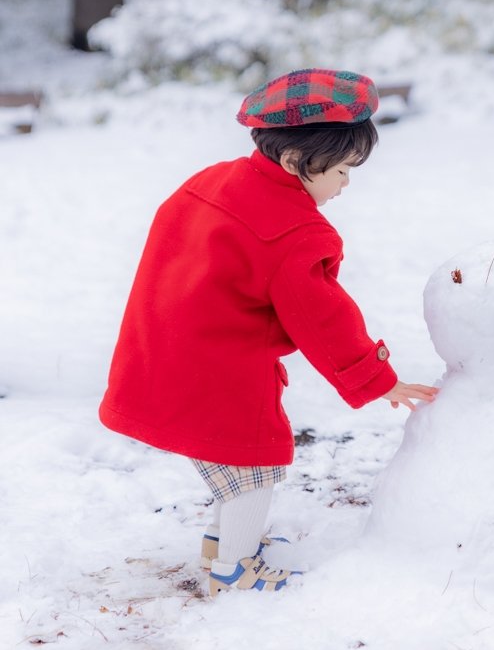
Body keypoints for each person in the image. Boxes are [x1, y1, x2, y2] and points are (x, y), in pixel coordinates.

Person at [99, 68, 438, 596]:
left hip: (163, 351)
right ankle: (234, 572)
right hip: (224, 369)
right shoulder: (296, 231)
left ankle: (220, 546)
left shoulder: (210, 181)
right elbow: (323, 320)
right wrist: (377, 380)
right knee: (254, 467)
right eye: (342, 171)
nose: (346, 184)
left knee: (232, 464)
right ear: (295, 160)